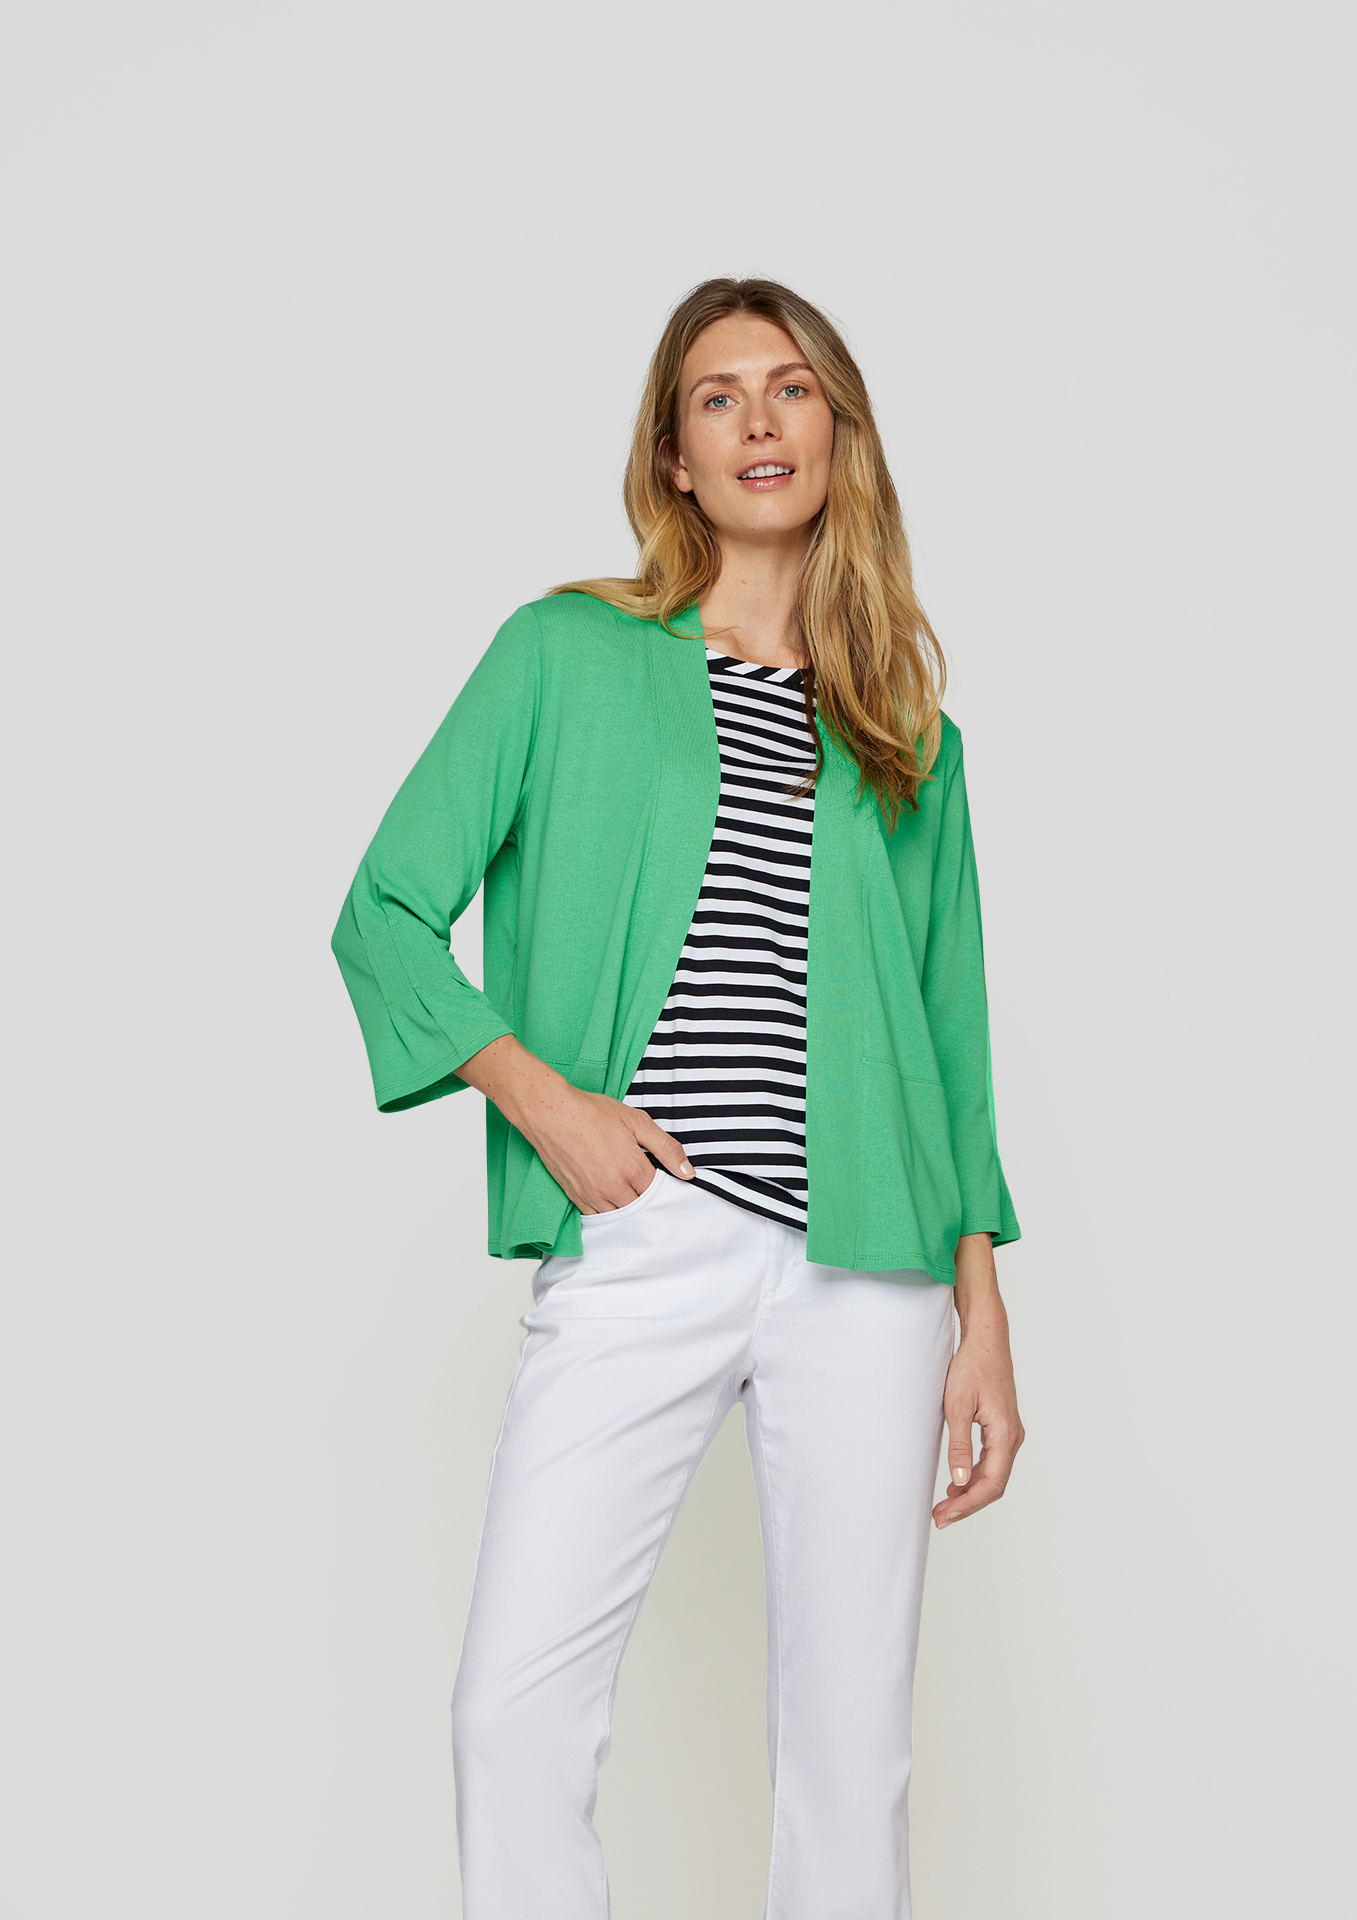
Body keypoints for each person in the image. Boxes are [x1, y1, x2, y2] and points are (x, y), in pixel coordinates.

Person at [332, 277, 1025, 1920]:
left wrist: (981, 1310)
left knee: (851, 1755)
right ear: (675, 453)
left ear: (839, 434)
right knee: (511, 1715)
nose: (760, 422)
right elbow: (385, 911)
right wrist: (547, 1102)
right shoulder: (564, 654)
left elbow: (951, 1037)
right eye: (720, 397)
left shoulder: (906, 732)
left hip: (874, 1265)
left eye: (793, 390)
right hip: (648, 1232)